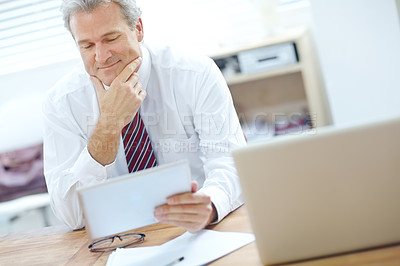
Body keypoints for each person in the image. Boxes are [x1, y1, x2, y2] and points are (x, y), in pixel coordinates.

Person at [43, 0, 246, 233]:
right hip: (119, 238)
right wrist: (109, 125)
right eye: (87, 46)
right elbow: (71, 215)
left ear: (138, 28)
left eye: (110, 38)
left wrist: (209, 205)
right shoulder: (61, 103)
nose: (101, 56)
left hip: (199, 230)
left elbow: (230, 164)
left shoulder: (195, 73)